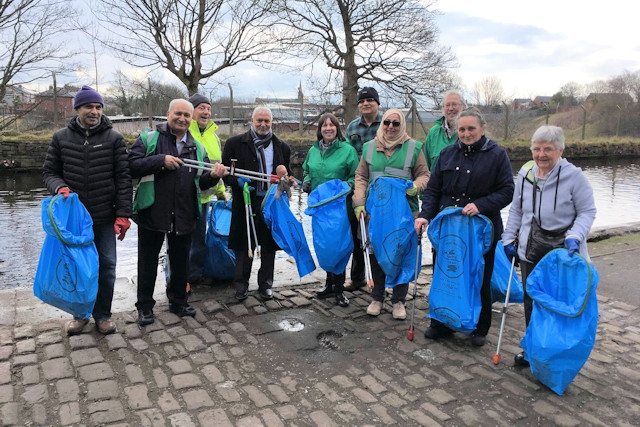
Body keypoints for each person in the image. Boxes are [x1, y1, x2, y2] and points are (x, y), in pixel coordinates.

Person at [415, 107, 514, 346]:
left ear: (482, 128)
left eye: (471, 128)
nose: (466, 133)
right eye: (462, 129)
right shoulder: (446, 155)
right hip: (448, 229)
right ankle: (441, 323)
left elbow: (508, 191)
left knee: (479, 277)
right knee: (446, 275)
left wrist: (480, 205)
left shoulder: (498, 155)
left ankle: (479, 327)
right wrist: (424, 216)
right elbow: (433, 191)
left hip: (481, 230)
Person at [502, 125, 596, 366]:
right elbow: (516, 209)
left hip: (563, 251)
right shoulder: (526, 174)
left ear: (560, 151)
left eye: (548, 149)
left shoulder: (574, 177)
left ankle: (555, 352)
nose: (541, 154)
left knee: (557, 301)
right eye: (537, 149)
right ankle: (533, 348)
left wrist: (576, 235)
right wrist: (508, 237)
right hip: (530, 248)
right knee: (531, 299)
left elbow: (587, 211)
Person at [129, 99, 228, 326]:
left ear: (190, 117)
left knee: (181, 260)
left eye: (186, 115)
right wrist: (160, 160)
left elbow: (202, 184)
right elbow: (130, 166)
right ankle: (144, 307)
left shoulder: (198, 147)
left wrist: (214, 176)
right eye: (178, 114)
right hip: (152, 211)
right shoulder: (149, 139)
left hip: (184, 212)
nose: (182, 118)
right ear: (168, 114)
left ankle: (178, 301)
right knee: (147, 261)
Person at [43, 85, 132, 336]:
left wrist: (123, 214)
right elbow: (49, 172)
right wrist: (59, 186)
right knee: (75, 267)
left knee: (107, 266)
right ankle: (80, 314)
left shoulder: (114, 139)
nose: (94, 111)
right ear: (77, 109)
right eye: (89, 107)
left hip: (104, 216)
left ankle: (103, 315)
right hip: (73, 219)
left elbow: (124, 179)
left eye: (98, 107)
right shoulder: (61, 138)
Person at [353, 108, 429, 319]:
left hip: (404, 214)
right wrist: (358, 203)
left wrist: (415, 186)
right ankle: (377, 298)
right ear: (382, 123)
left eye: (396, 123)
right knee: (376, 253)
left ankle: (398, 301)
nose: (391, 127)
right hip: (376, 214)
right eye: (387, 122)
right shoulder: (369, 148)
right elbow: (361, 177)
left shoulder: (414, 148)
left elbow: (425, 175)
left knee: (401, 255)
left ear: (402, 125)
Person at [222, 106, 292, 301]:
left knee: (269, 244)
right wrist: (237, 182)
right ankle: (241, 285)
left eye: (266, 121)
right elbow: (227, 173)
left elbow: (286, 174)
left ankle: (266, 285)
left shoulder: (282, 147)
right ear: (252, 121)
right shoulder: (234, 144)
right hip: (245, 200)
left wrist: (287, 182)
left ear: (272, 123)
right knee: (244, 245)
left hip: (270, 202)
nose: (263, 124)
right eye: (259, 120)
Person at [302, 113, 360, 307]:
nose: (328, 128)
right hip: (321, 210)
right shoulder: (313, 150)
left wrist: (345, 187)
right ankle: (328, 284)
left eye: (332, 125)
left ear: (337, 128)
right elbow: (306, 170)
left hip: (339, 210)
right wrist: (307, 180)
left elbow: (355, 176)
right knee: (325, 246)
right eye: (324, 125)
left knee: (339, 247)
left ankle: (339, 289)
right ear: (320, 129)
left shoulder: (347, 150)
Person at [185, 93, 227, 287]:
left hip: (204, 199)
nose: (206, 112)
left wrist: (221, 192)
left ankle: (194, 275)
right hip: (184, 197)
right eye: (201, 108)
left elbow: (217, 168)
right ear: (191, 111)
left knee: (200, 239)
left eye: (208, 109)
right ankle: (178, 277)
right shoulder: (184, 133)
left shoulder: (214, 137)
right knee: (182, 241)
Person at [344, 86, 382, 292]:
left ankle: (382, 279)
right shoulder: (352, 128)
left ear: (377, 103)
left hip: (379, 185)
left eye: (370, 100)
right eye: (362, 101)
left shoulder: (387, 124)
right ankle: (357, 277)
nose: (365, 103)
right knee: (357, 232)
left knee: (378, 232)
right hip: (358, 185)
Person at [423, 90, 466, 171]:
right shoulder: (433, 133)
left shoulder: (471, 132)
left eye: (454, 104)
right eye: (447, 105)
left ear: (463, 107)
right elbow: (425, 167)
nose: (450, 108)